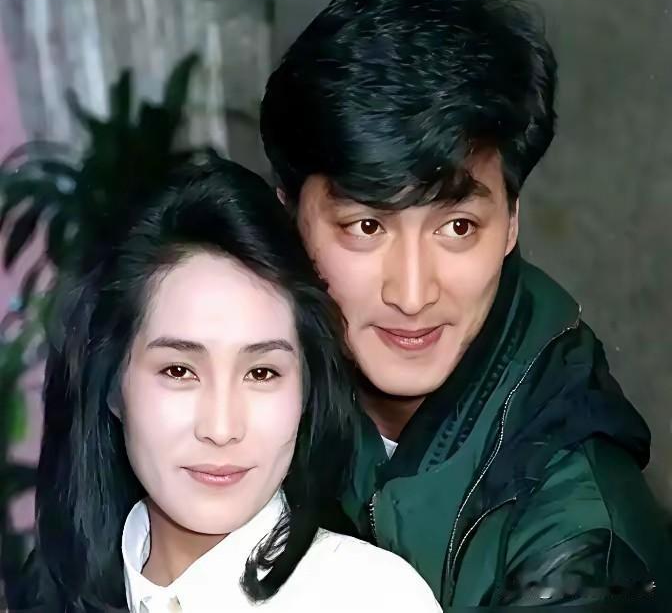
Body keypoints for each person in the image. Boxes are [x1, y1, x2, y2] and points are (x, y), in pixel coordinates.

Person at [260, 0, 672, 608]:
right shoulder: (237, 404)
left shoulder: (581, 551)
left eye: (457, 227)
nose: (413, 294)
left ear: (511, 222)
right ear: (289, 216)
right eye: (366, 226)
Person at [8, 159, 440, 612]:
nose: (221, 428)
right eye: (179, 371)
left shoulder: (372, 597)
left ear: (306, 392)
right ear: (113, 384)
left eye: (262, 373)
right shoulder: (51, 590)